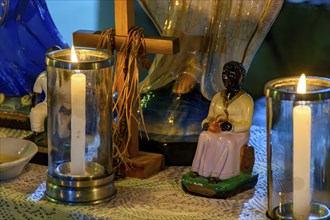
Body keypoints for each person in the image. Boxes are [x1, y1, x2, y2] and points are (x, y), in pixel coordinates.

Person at [191, 61, 254, 183]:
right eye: (224, 74)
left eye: (231, 74)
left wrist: (231, 127)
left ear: (240, 78)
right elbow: (210, 116)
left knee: (226, 141)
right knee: (204, 136)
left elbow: (246, 124)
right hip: (219, 129)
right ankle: (199, 170)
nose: (227, 78)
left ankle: (220, 174)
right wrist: (206, 123)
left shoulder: (246, 100)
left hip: (238, 134)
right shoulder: (217, 97)